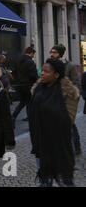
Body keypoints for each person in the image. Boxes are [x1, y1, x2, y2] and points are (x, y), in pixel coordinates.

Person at [29, 58, 79, 187]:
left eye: (46, 71)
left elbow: (69, 119)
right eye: (42, 70)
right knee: (45, 180)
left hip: (60, 144)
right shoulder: (37, 89)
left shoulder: (68, 92)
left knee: (64, 181)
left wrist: (46, 110)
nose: (42, 73)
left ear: (56, 75)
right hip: (41, 142)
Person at [49, 44, 82, 156]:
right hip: (54, 99)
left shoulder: (69, 66)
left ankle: (75, 148)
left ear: (60, 54)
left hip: (66, 100)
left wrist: (73, 99)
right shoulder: (49, 65)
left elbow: (77, 83)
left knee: (70, 124)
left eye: (54, 52)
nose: (52, 54)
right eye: (51, 52)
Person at [12, 47, 38, 123]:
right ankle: (30, 117)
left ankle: (14, 116)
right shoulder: (30, 62)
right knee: (29, 102)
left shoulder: (18, 60)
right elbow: (33, 75)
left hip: (20, 85)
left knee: (23, 101)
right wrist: (36, 82)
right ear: (31, 53)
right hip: (28, 85)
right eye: (33, 54)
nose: (33, 56)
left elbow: (14, 72)